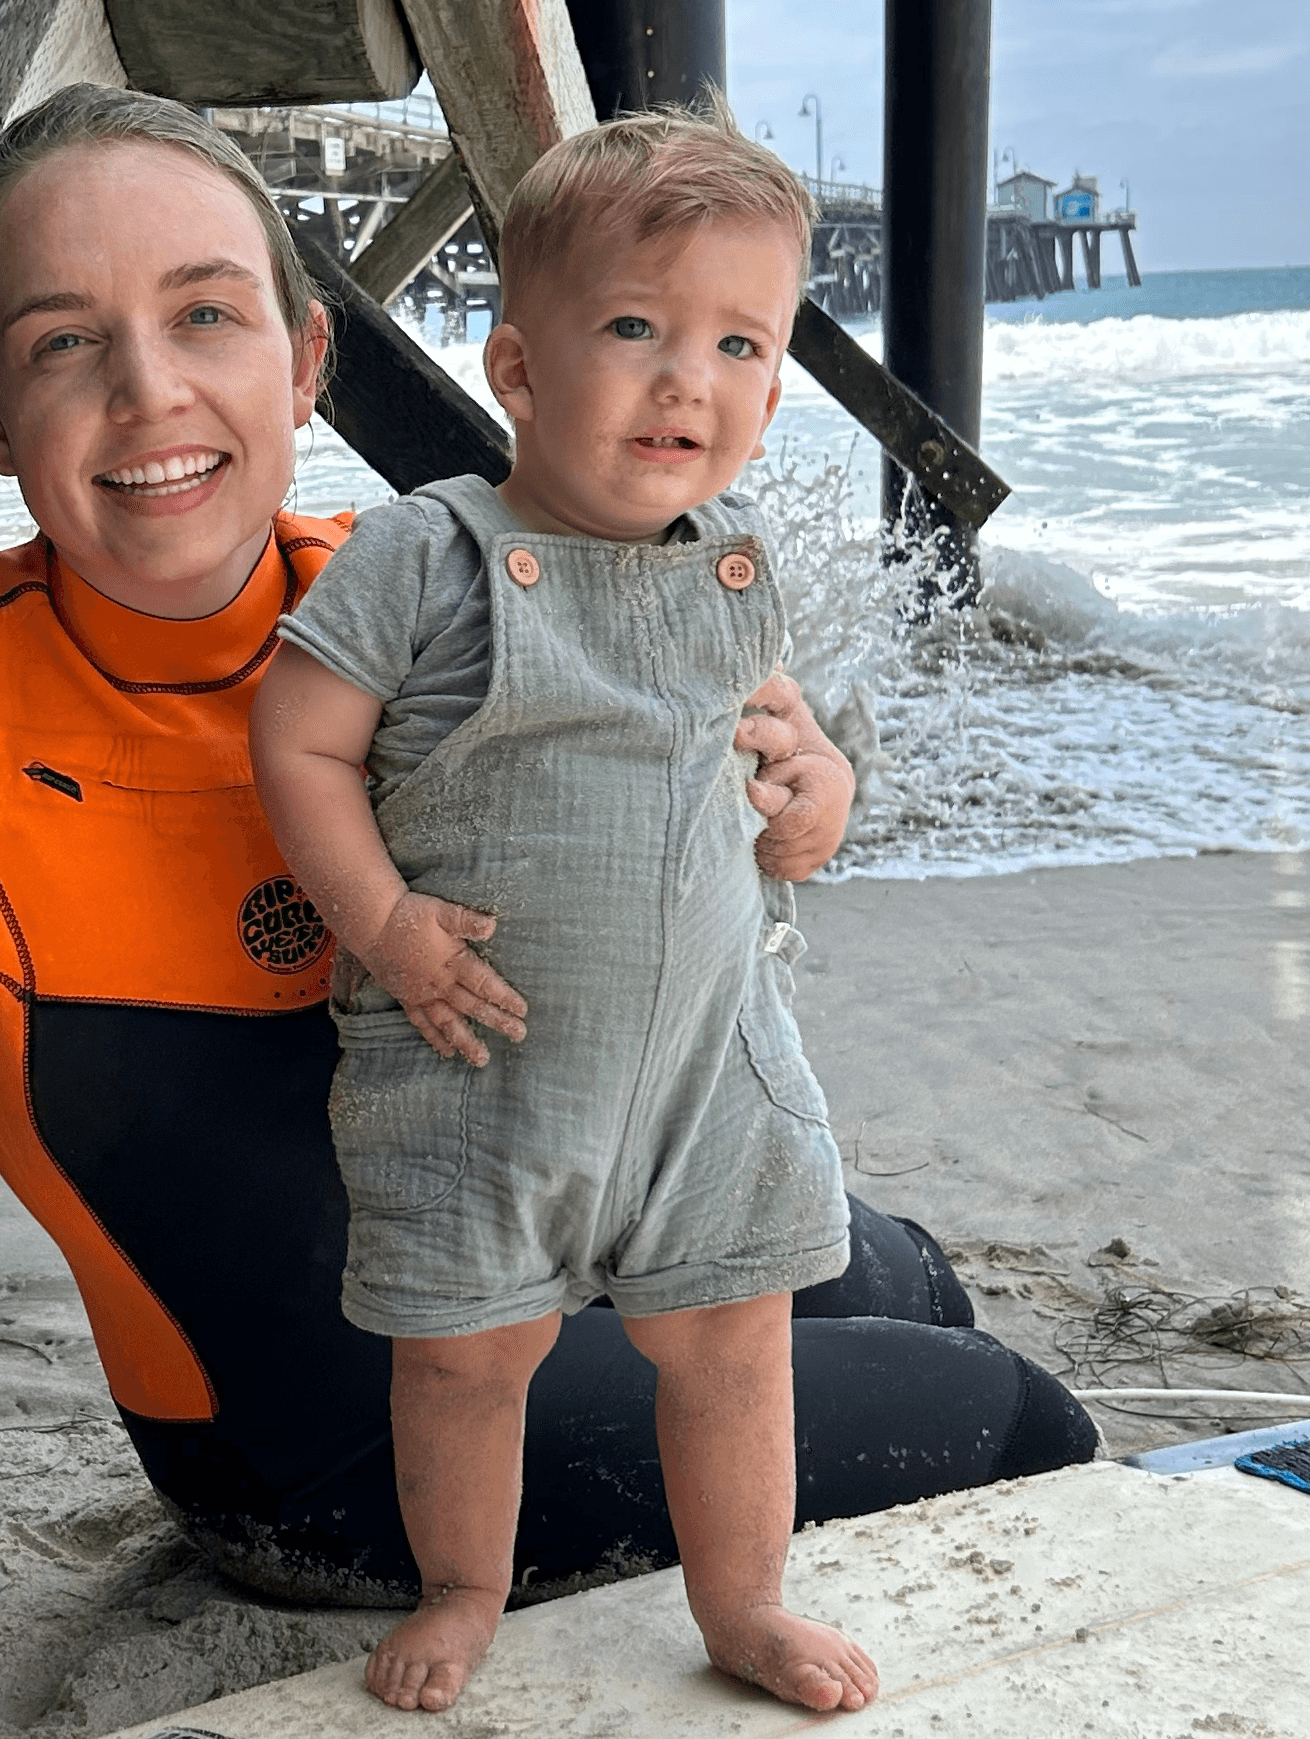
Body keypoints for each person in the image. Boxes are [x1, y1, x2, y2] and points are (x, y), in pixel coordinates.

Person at [0, 85, 1094, 1739]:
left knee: (899, 1273)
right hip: (317, 1445)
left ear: (304, 359)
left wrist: (793, 781)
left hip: (538, 1246)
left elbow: (691, 814)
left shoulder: (422, 593)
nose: (151, 394)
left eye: (206, 313)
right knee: (999, 1410)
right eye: (67, 345)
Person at [250, 105, 875, 1715]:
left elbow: (785, 755)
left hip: (707, 1069)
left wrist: (818, 799)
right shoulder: (428, 554)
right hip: (484, 1065)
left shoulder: (735, 560)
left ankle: (741, 1606)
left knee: (737, 1342)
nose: (691, 379)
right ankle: (466, 1582)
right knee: (467, 1355)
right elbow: (299, 740)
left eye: (741, 342)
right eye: (635, 328)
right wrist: (382, 921)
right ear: (518, 369)